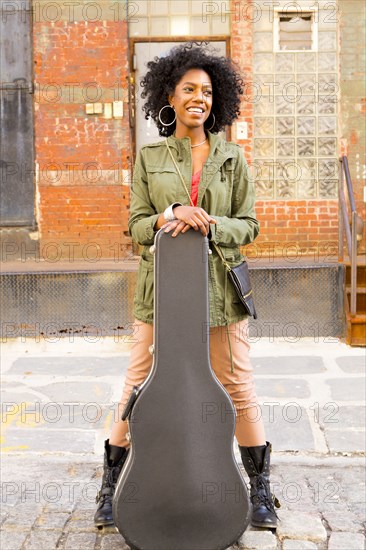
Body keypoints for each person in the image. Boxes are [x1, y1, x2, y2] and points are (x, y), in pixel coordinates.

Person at [94, 42, 279, 532]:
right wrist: (169, 214)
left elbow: (251, 227)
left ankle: (260, 491)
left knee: (238, 385)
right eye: (189, 89)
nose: (199, 98)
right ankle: (110, 488)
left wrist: (211, 223)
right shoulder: (150, 158)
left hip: (220, 292)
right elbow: (135, 227)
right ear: (170, 97)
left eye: (208, 91)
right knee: (136, 385)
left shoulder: (232, 158)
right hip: (161, 295)